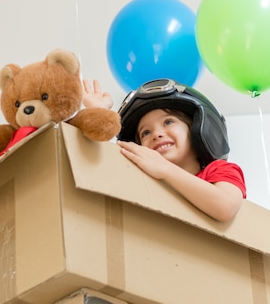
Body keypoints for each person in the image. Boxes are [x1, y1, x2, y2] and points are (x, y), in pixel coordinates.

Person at [83, 78, 246, 222]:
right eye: (145, 132)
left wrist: (165, 169)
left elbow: (226, 207)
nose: (156, 134)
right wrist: (98, 116)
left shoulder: (220, 170)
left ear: (196, 130)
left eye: (168, 122)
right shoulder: (146, 184)